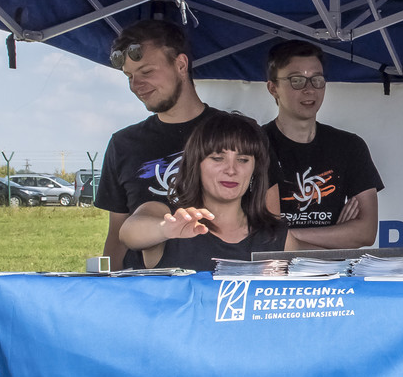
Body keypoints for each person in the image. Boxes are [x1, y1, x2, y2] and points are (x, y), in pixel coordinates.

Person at [95, 19, 212, 269]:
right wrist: (107, 285)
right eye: (129, 76)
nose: (135, 85)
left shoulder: (236, 133)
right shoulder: (123, 144)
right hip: (144, 286)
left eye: (147, 72)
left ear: (181, 65)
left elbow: (265, 221)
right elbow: (117, 235)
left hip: (218, 284)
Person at [118, 111, 297, 271]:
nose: (231, 170)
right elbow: (129, 233)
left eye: (243, 160)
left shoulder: (276, 236)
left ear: (254, 169)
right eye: (218, 158)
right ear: (196, 164)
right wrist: (165, 229)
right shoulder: (167, 216)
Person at [263, 40, 383, 249]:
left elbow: (366, 232)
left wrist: (286, 236)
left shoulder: (349, 146)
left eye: (317, 80)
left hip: (333, 270)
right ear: (273, 88)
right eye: (297, 81)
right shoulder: (255, 145)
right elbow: (256, 235)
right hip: (272, 269)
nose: (309, 89)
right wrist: (337, 236)